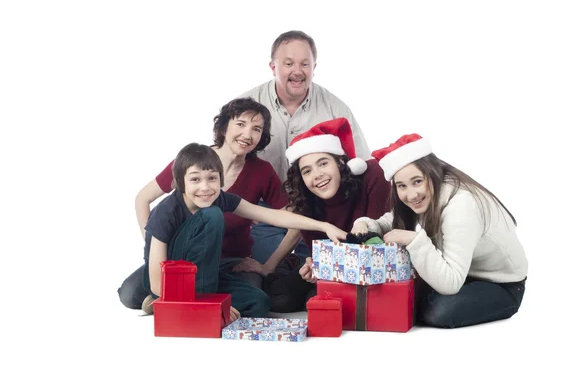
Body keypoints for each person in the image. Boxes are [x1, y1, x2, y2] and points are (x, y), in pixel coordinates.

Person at [117, 98, 289, 312]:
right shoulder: (193, 162)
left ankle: (183, 298)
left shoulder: (262, 172)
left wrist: (268, 265)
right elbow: (143, 198)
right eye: (240, 124)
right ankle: (184, 296)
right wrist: (154, 246)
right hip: (182, 259)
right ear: (224, 127)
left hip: (230, 262)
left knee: (257, 294)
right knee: (129, 295)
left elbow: (290, 219)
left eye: (256, 129)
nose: (247, 135)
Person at [143, 143, 347, 319]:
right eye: (195, 180)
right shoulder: (166, 212)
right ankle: (186, 304)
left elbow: (274, 216)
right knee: (212, 215)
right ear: (181, 183)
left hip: (206, 275)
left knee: (260, 303)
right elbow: (156, 283)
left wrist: (323, 225)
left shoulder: (219, 197)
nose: (205, 187)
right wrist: (209, 305)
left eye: (212, 178)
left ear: (220, 180)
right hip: (173, 281)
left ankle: (197, 299)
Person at [351, 134, 528, 329]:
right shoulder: (422, 197)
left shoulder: (460, 206)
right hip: (465, 272)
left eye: (417, 181)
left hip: (502, 284)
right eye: (402, 186)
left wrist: (415, 241)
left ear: (432, 173)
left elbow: (450, 283)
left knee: (439, 311)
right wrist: (364, 225)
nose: (411, 194)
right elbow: (389, 221)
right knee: (405, 291)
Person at [239, 30, 372, 263]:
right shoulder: (247, 106)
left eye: (305, 64)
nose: (297, 71)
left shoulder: (334, 108)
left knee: (312, 279)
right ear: (273, 66)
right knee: (263, 276)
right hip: (266, 211)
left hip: (318, 208)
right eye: (288, 63)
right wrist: (242, 208)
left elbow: (361, 164)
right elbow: (225, 159)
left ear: (314, 67)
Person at [243, 118, 390, 312]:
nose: (317, 175)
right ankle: (292, 263)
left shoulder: (373, 176)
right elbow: (317, 249)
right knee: (280, 300)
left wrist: (327, 265)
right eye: (307, 171)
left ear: (339, 162)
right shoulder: (306, 199)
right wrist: (314, 268)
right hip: (335, 262)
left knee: (324, 300)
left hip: (368, 263)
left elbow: (374, 241)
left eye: (323, 163)